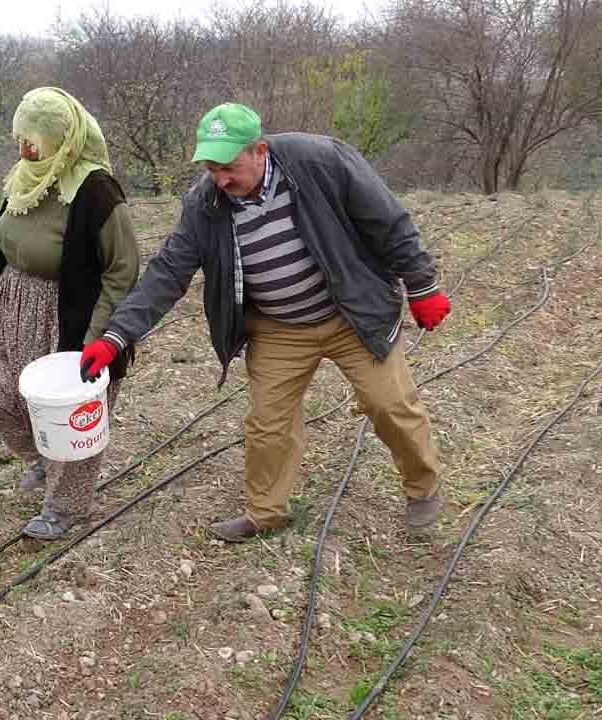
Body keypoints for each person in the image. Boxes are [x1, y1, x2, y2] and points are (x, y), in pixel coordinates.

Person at [78, 103, 451, 542]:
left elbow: (389, 222)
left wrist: (422, 285)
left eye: (229, 167)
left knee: (388, 403)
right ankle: (265, 512)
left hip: (350, 312)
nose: (220, 179)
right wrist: (115, 337)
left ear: (259, 151)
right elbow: (168, 272)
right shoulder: (205, 204)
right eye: (211, 168)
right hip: (279, 327)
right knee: (267, 424)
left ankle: (423, 490)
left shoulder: (322, 162)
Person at [0, 87, 140, 540]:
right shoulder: (25, 177)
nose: (25, 148)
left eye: (35, 139)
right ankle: (43, 460)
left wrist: (102, 336)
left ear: (61, 139)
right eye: (21, 138)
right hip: (14, 306)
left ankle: (67, 506)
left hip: (72, 316)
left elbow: (123, 270)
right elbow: (10, 235)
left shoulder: (97, 191)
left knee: (72, 413)